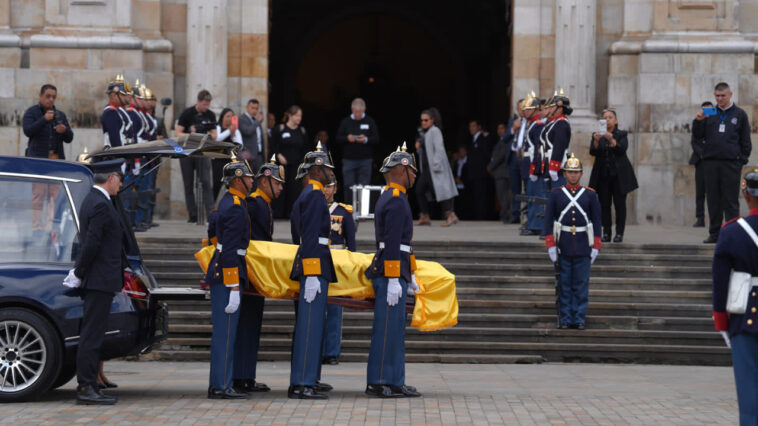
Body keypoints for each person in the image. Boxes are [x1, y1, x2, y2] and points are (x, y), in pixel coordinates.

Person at [365, 143, 421, 398]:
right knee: (387, 328)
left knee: (395, 329)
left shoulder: (392, 197)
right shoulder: (396, 200)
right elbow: (392, 243)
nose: (416, 175)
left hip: (397, 271)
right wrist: (394, 277)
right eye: (413, 171)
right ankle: (378, 381)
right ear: (402, 170)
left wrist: (409, 275)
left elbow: (401, 245)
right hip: (390, 273)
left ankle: (395, 380)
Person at [67, 159, 126, 405]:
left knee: (94, 333)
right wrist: (79, 272)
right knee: (92, 334)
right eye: (120, 179)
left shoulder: (94, 199)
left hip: (99, 278)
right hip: (99, 279)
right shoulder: (101, 204)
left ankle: (90, 383)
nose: (121, 184)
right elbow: (92, 243)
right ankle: (85, 385)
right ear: (111, 178)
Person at [288, 143, 336, 399]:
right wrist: (312, 273)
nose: (330, 171)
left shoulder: (307, 196)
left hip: (312, 263)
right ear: (317, 169)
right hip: (313, 266)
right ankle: (302, 384)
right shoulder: (314, 196)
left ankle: (305, 380)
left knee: (311, 326)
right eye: (327, 166)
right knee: (309, 327)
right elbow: (308, 237)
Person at [232, 157, 284, 395]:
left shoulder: (262, 204)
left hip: (257, 272)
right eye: (277, 182)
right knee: (246, 326)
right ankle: (240, 376)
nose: (281, 188)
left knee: (252, 325)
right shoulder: (254, 204)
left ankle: (247, 375)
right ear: (264, 182)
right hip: (251, 272)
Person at [204, 156, 254, 400]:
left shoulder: (231, 202)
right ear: (237, 179)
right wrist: (234, 285)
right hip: (227, 274)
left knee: (225, 333)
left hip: (223, 269)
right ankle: (221, 386)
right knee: (225, 334)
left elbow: (214, 232)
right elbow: (231, 248)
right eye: (248, 176)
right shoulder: (235, 206)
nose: (252, 180)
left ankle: (221, 383)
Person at [712, 167, 758, 425]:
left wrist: (721, 321)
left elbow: (720, 281)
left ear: (746, 196)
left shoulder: (732, 231)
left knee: (749, 395)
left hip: (745, 317)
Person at [544, 153, 602, 330]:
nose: (573, 175)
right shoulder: (556, 194)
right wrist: (551, 245)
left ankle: (579, 318)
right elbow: (548, 222)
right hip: (563, 245)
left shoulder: (590, 195)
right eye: (570, 172)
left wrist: (596, 246)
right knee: (565, 285)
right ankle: (566, 318)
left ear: (581, 174)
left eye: (576, 172)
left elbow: (597, 221)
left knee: (581, 285)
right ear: (564, 174)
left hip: (584, 246)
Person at [693, 82, 752, 243]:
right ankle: (714, 234)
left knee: (731, 200)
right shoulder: (709, 112)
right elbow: (697, 136)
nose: (719, 99)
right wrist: (698, 121)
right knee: (713, 199)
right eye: (717, 96)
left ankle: (732, 235)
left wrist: (741, 160)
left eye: (722, 96)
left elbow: (746, 141)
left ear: (730, 95)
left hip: (731, 164)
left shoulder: (740, 114)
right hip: (711, 163)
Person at [23, 84, 74, 239]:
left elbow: (70, 138)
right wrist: (44, 120)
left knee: (54, 197)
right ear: (41, 96)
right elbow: (28, 130)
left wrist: (64, 131)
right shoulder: (32, 112)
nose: (51, 99)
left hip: (55, 162)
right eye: (48, 96)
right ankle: (36, 229)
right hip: (38, 162)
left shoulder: (60, 114)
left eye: (53, 97)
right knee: (38, 196)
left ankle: (50, 229)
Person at [588, 109, 638, 243]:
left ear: (615, 120)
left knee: (620, 205)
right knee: (604, 205)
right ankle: (606, 233)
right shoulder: (597, 135)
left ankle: (619, 233)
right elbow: (593, 152)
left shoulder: (621, 134)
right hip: (603, 175)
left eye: (610, 117)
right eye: (605, 118)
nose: (608, 119)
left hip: (619, 175)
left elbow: (621, 149)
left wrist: (611, 139)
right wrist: (597, 141)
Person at [321, 177, 356, 365]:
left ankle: (332, 351)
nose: (326, 190)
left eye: (329, 186)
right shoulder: (313, 207)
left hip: (337, 265)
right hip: (317, 262)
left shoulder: (343, 211)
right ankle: (317, 349)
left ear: (335, 188)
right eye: (324, 186)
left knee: (334, 310)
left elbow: (351, 244)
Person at [175, 89, 217, 223]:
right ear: (198, 102)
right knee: (188, 183)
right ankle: (192, 214)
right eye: (204, 104)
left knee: (205, 181)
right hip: (187, 152)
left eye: (208, 104)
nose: (206, 107)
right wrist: (192, 135)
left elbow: (214, 135)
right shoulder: (187, 113)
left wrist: (205, 135)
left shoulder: (210, 115)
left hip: (202, 152)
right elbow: (177, 133)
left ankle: (210, 213)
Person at [414, 108, 459, 226]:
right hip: (426, 168)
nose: (423, 122)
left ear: (432, 120)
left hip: (434, 168)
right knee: (420, 189)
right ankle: (425, 215)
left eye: (426, 120)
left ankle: (450, 215)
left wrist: (436, 165)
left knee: (441, 191)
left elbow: (439, 149)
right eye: (422, 120)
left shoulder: (435, 131)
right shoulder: (424, 133)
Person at [336, 98, 380, 204]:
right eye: (355, 112)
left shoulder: (370, 121)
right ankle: (349, 210)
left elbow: (377, 139)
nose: (357, 114)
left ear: (364, 110)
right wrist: (348, 138)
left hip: (365, 160)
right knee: (348, 185)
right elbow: (337, 138)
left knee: (364, 186)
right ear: (352, 110)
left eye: (360, 112)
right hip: (348, 160)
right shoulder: (345, 122)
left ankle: (362, 211)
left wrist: (365, 139)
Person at [271, 105, 310, 218]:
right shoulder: (280, 129)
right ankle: (278, 214)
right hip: (282, 165)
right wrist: (279, 155)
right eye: (297, 115)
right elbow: (273, 146)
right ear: (290, 115)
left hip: (296, 166)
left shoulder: (302, 131)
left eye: (300, 116)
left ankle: (292, 214)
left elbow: (305, 148)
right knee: (280, 189)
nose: (299, 118)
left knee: (295, 190)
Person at [521, 93, 546, 236]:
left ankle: (537, 225)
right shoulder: (531, 124)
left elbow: (538, 149)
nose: (524, 111)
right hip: (527, 163)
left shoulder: (538, 125)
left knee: (536, 195)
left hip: (532, 163)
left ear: (536, 109)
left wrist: (534, 168)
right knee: (530, 195)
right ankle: (532, 223)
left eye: (528, 108)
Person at [213, 108, 244, 199]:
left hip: (230, 161)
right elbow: (217, 140)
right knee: (216, 185)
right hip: (218, 161)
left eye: (232, 116)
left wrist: (233, 135)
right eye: (227, 116)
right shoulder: (218, 128)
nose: (230, 118)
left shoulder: (235, 130)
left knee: (230, 186)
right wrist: (228, 131)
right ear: (222, 117)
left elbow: (240, 145)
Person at [690, 101, 712, 228]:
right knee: (700, 192)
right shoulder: (697, 122)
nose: (707, 112)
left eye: (710, 110)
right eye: (705, 110)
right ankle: (700, 218)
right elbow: (694, 141)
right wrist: (702, 154)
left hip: (713, 160)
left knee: (713, 192)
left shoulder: (716, 122)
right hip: (701, 161)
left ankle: (714, 218)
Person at [466, 119, 493, 220]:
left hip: (481, 173)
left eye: (473, 126)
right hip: (473, 174)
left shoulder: (483, 138)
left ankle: (482, 217)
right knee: (475, 196)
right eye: (470, 126)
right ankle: (477, 216)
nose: (471, 129)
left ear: (479, 127)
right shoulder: (472, 139)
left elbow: (486, 155)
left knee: (482, 197)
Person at [489, 122, 513, 224]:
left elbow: (501, 156)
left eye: (502, 128)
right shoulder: (500, 141)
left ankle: (506, 216)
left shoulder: (505, 141)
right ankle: (505, 215)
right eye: (498, 129)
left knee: (504, 196)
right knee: (502, 196)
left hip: (503, 172)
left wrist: (491, 166)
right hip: (500, 173)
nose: (500, 131)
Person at [508, 99, 527, 224]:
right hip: (514, 158)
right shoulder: (513, 121)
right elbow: (505, 138)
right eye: (518, 108)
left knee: (527, 186)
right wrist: (513, 128)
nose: (520, 110)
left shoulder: (529, 122)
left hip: (525, 157)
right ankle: (515, 214)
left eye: (522, 108)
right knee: (515, 187)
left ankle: (526, 215)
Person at [101, 74, 132, 149]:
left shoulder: (116, 110)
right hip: (116, 155)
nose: (126, 97)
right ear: (113, 95)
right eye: (123, 95)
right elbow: (115, 140)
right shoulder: (110, 112)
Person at [239, 99, 265, 170]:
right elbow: (247, 131)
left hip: (259, 156)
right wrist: (258, 121)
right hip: (248, 155)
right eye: (252, 108)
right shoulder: (242, 119)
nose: (254, 111)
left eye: (256, 108)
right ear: (247, 107)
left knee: (259, 179)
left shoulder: (255, 121)